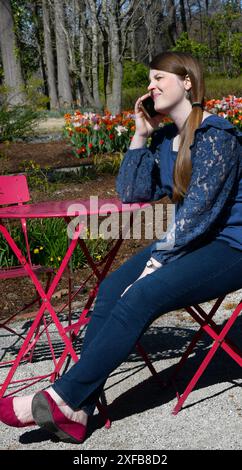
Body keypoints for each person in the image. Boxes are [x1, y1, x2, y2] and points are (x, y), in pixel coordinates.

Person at [0, 51, 242, 444]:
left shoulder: (217, 137)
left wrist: (158, 262)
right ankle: (78, 408)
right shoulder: (167, 139)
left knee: (141, 293)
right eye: (149, 79)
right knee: (112, 287)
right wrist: (140, 133)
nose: (150, 86)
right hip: (195, 239)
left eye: (159, 77)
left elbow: (200, 215)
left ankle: (64, 396)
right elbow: (132, 191)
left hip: (230, 247)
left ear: (187, 82)